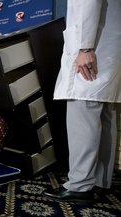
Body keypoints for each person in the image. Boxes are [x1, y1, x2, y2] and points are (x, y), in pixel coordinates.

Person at [43, 0, 121, 203]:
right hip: (109, 47)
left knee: (83, 113)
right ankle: (101, 181)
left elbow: (89, 3)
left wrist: (85, 48)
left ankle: (80, 185)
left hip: (92, 49)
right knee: (105, 113)